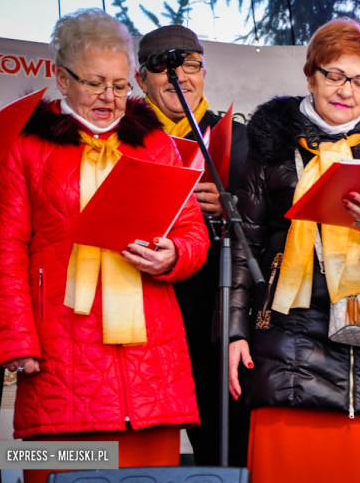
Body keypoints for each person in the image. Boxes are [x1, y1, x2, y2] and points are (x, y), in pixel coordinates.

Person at [0, 9, 209, 483]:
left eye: (121, 84)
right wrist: (16, 340)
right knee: (61, 470)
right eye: (94, 83)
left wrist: (174, 255)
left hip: (151, 365)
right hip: (59, 361)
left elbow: (193, 235)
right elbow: (3, 251)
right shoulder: (26, 147)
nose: (110, 97)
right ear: (61, 79)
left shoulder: (157, 144)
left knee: (148, 477)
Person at [228, 17, 360, 483]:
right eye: (335, 75)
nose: (347, 91)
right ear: (311, 73)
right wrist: (234, 333)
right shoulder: (271, 143)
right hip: (289, 337)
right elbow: (244, 244)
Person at [135, 24, 250, 467]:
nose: (179, 76)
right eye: (163, 67)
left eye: (191, 65)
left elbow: (268, 221)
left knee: (225, 441)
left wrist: (230, 205)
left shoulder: (237, 136)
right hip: (146, 304)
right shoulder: (124, 135)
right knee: (146, 445)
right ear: (140, 79)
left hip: (215, 307)